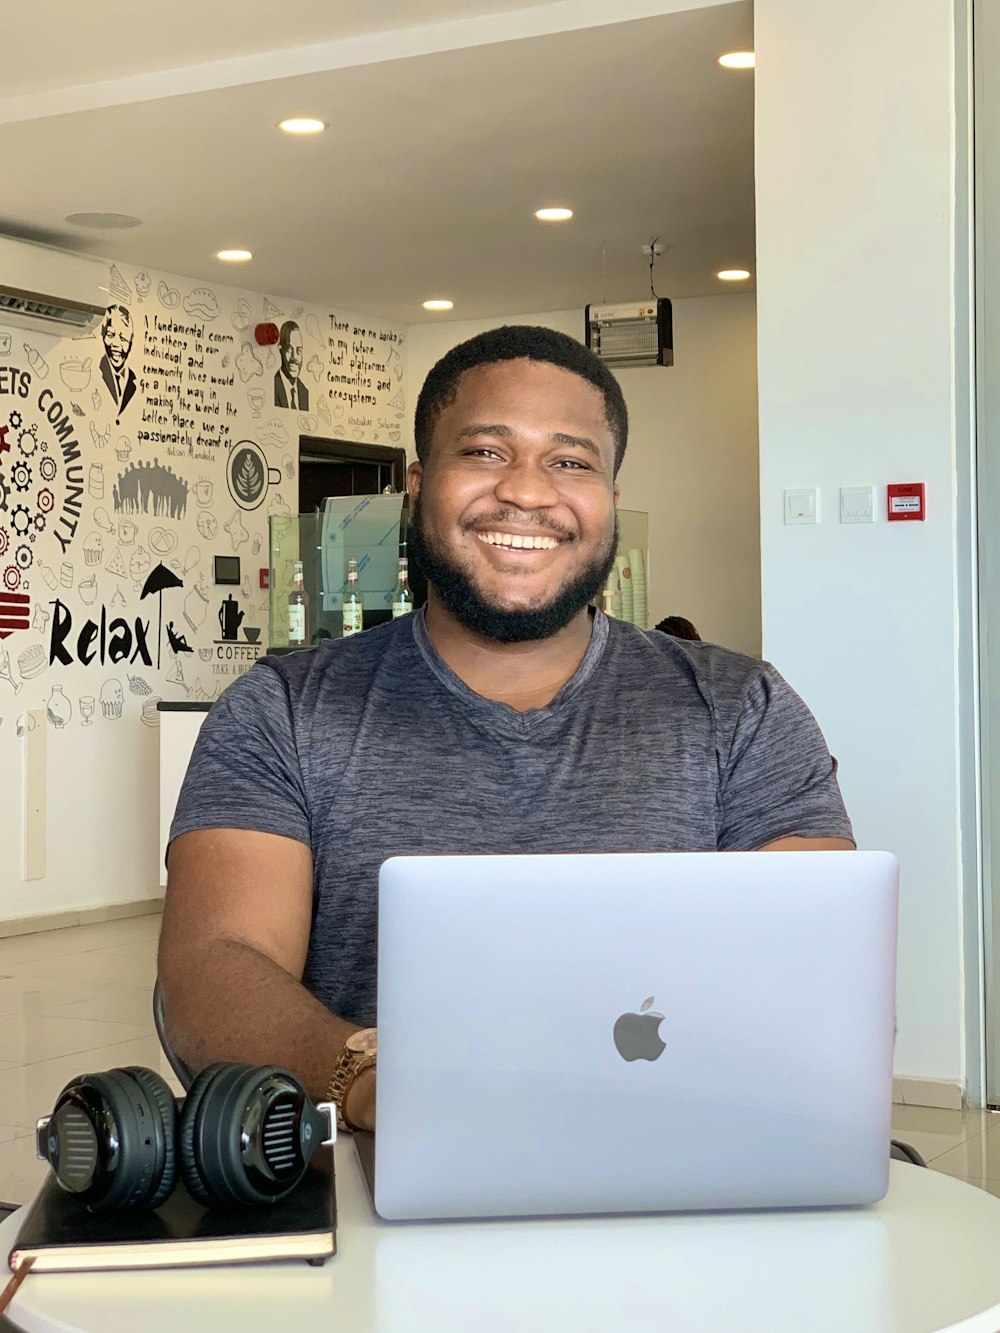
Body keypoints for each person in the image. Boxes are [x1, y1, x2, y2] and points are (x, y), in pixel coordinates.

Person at [161, 325, 853, 1135]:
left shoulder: (742, 710)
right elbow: (211, 970)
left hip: (686, 1159)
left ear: (610, 498)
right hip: (376, 1178)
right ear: (418, 485)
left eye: (570, 460)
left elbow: (822, 973)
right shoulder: (282, 710)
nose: (527, 491)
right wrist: (375, 1080)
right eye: (486, 452)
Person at [99, 304, 137, 419]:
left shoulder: (132, 379)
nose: (116, 344)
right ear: (103, 336)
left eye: (123, 338)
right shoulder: (97, 371)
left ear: (130, 344)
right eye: (110, 335)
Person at [274, 320, 309, 409]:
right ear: (280, 350)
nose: (294, 357)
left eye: (299, 350)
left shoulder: (304, 392)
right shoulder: (273, 387)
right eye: (289, 350)